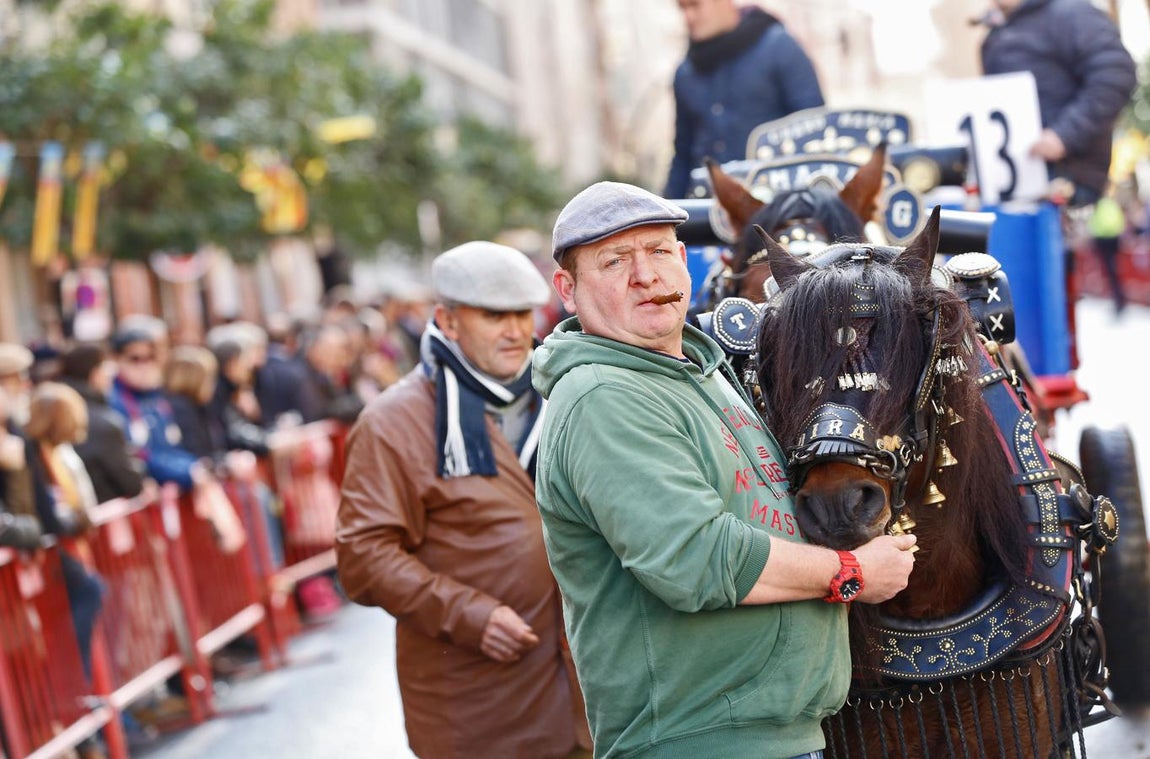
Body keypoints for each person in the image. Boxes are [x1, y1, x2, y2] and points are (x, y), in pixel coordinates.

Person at [535, 181, 917, 758]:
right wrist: (852, 571)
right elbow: (695, 560)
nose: (646, 275)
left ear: (684, 263)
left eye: (659, 252)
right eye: (615, 261)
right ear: (568, 289)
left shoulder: (702, 373)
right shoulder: (603, 394)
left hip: (769, 738)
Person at [335, 241, 589, 759]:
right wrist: (468, 615)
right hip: (477, 701)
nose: (516, 331)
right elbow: (363, 557)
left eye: (522, 313)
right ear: (447, 322)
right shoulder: (392, 422)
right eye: (495, 315)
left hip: (587, 693)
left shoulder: (563, 392)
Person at [979, 0, 1137, 209]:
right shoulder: (996, 33)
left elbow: (1115, 74)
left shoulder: (1073, 13)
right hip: (1019, 184)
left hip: (1068, 181)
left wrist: (1064, 135)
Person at [663, 0, 824, 198]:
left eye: (695, 5)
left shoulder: (779, 48)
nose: (688, 17)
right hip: (708, 207)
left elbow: (815, 133)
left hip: (777, 206)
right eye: (682, 8)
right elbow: (683, 154)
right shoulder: (685, 74)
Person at [58, 342, 145, 504]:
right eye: (105, 367)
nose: (109, 375)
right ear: (94, 373)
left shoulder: (59, 410)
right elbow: (130, 482)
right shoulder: (103, 423)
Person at [1087, 189, 1128, 314]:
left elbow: (1094, 224)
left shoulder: (1100, 206)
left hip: (1103, 240)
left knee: (1110, 271)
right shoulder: (1113, 205)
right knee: (1113, 270)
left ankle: (1117, 299)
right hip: (1113, 239)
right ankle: (1118, 298)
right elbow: (1121, 222)